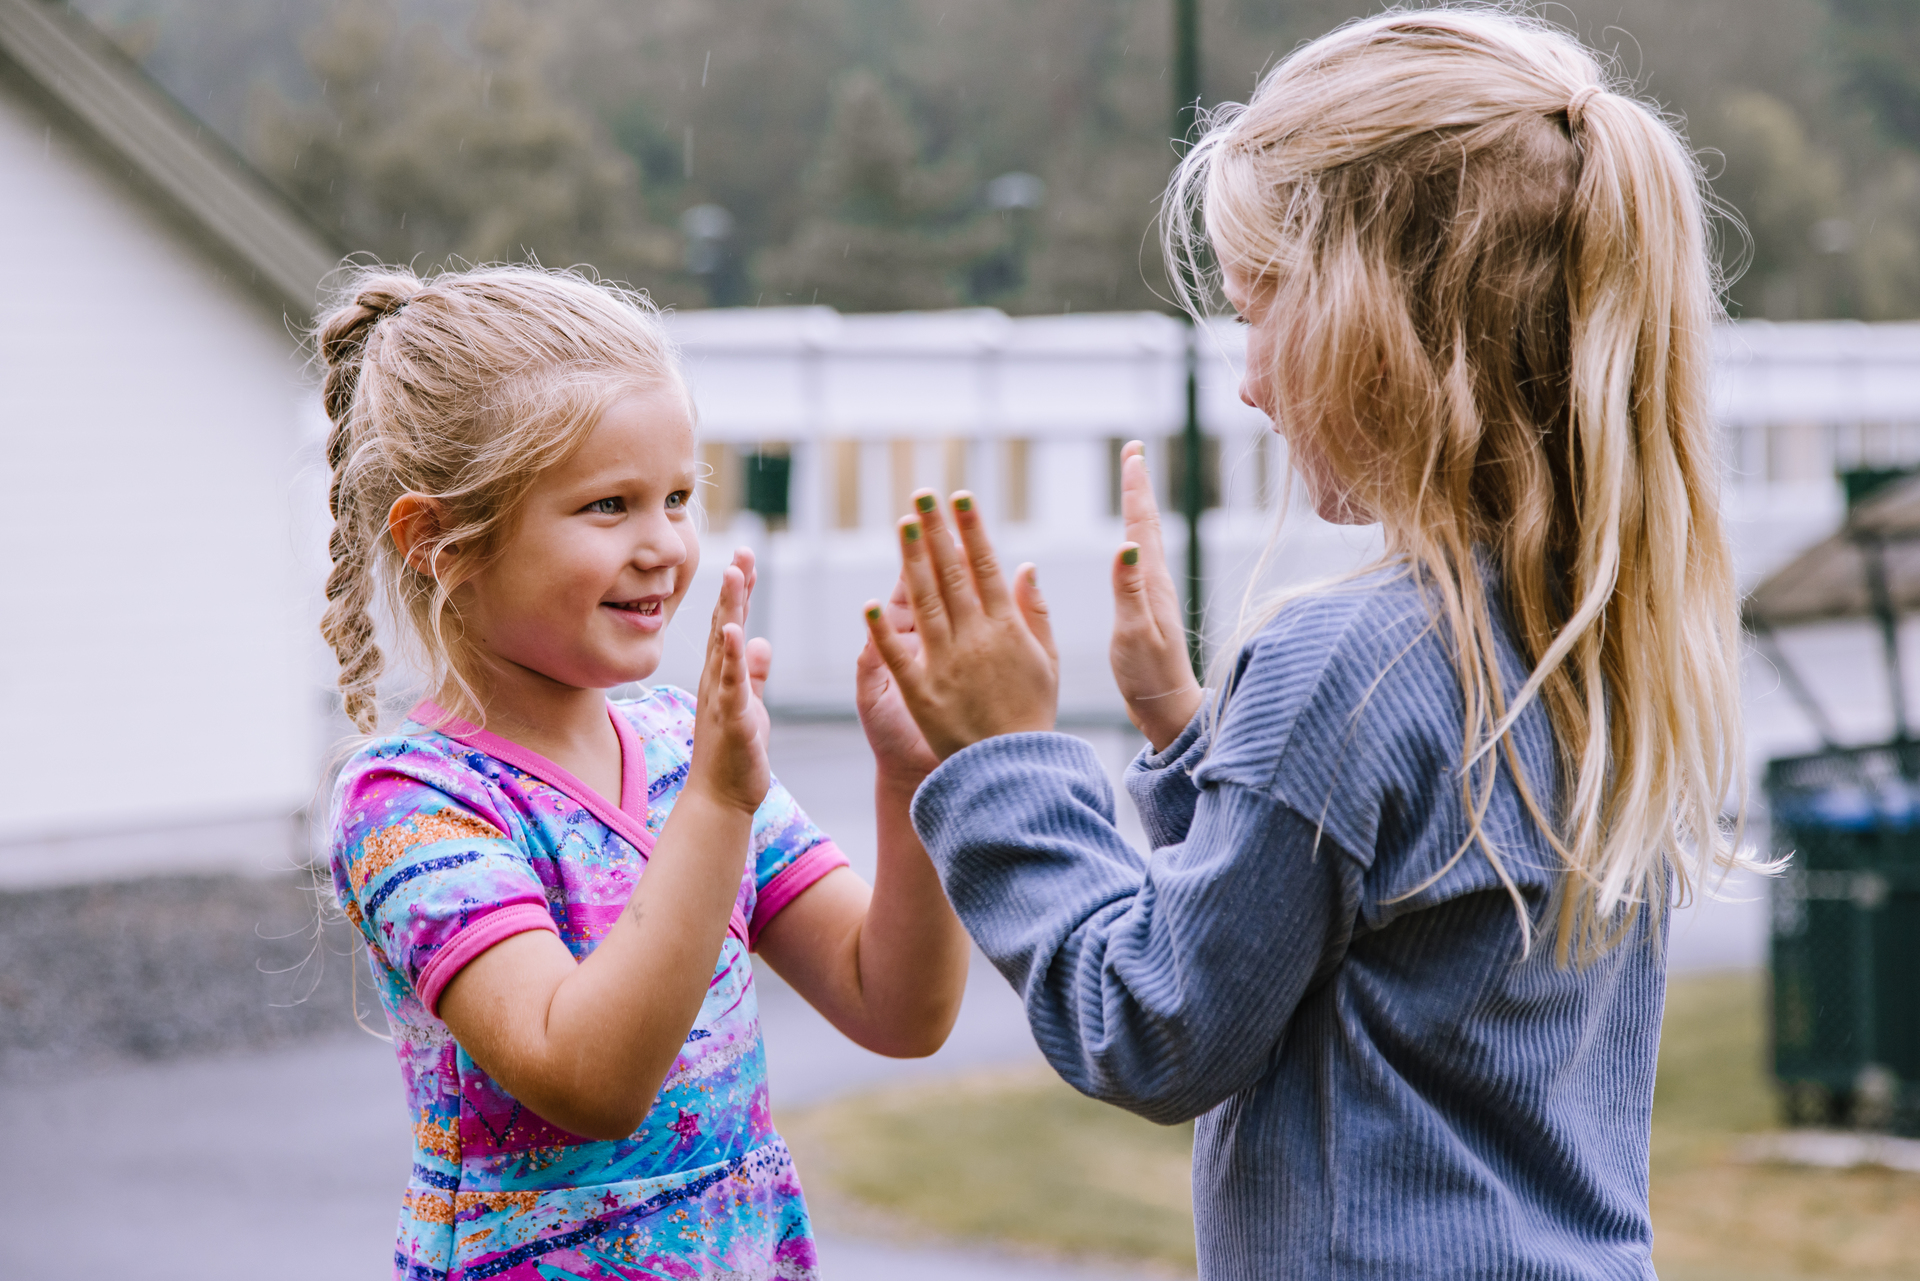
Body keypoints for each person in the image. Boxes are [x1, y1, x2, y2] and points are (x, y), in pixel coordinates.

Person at [862, 9, 1754, 1279]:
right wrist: (1187, 728)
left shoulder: (1349, 661)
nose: (1249, 380)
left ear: (1381, 318)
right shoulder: (1601, 639)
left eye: (1258, 307)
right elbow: (1322, 931)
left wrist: (1005, 758)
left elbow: (1155, 1024)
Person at [317, 264, 968, 1280]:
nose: (665, 544)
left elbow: (895, 1004)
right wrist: (716, 803)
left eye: (677, 496)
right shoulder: (413, 801)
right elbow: (588, 1077)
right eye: (608, 505)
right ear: (440, 541)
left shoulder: (681, 745)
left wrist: (913, 781)